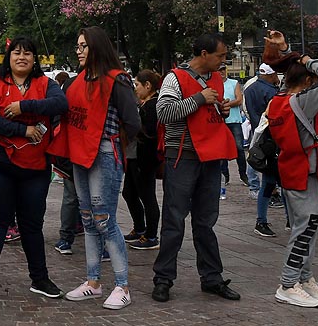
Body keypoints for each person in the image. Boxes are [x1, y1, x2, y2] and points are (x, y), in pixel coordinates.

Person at [0, 36, 67, 301]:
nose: (22, 57)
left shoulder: (47, 84)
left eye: (27, 53)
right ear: (9, 57)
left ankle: (39, 278)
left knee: (32, 225)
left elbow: (60, 104)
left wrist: (23, 106)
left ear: (35, 59)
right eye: (16, 53)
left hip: (35, 168)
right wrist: (23, 129)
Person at [151, 33, 241, 303]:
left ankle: (212, 278)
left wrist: (221, 110)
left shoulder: (215, 78)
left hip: (210, 157)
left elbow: (206, 112)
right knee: (174, 220)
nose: (224, 61)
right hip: (184, 157)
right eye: (220, 55)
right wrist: (200, 99)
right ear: (204, 54)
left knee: (206, 221)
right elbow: (164, 112)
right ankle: (163, 279)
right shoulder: (174, 78)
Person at [61, 27, 140, 310]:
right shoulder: (78, 81)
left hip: (104, 152)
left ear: (96, 47)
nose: (79, 50)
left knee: (104, 218)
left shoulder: (117, 81)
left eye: (83, 46)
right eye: (77, 45)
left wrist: (112, 141)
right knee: (88, 218)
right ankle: (93, 282)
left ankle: (123, 285)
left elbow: (133, 122)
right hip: (81, 153)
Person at [267, 58, 318, 307]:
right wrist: (309, 60)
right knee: (305, 226)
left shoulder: (279, 101)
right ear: (309, 81)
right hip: (302, 168)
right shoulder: (301, 101)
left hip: (299, 167)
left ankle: (304, 277)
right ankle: (288, 283)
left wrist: (287, 53)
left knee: (309, 224)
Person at [124, 69, 162, 250]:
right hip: (134, 157)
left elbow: (148, 134)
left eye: (137, 85)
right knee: (129, 193)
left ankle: (151, 235)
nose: (135, 88)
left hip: (144, 159)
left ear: (148, 86)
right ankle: (140, 227)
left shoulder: (152, 106)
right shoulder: (145, 104)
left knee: (147, 195)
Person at [244, 64, 281, 202]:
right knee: (271, 162)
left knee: (255, 155)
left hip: (256, 127)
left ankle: (254, 186)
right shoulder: (271, 91)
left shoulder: (249, 88)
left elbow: (247, 109)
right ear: (272, 75)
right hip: (270, 130)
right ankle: (273, 190)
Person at [219, 66, 248, 196]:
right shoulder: (213, 84)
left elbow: (239, 99)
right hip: (221, 121)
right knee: (222, 150)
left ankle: (243, 174)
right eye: (219, 70)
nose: (222, 72)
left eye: (223, 70)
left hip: (234, 120)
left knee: (239, 148)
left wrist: (224, 105)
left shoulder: (233, 83)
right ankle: (225, 175)